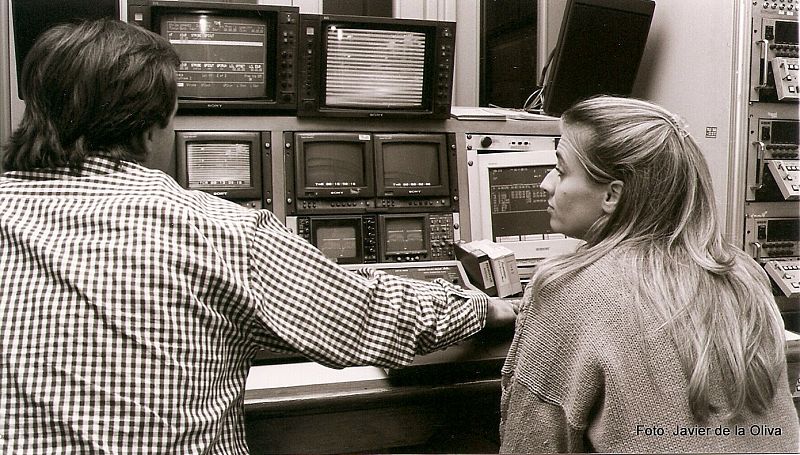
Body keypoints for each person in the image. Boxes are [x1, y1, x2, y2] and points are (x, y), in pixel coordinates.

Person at [0, 19, 517, 453]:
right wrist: (484, 308)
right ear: (155, 125)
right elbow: (368, 314)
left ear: (34, 109)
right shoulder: (221, 230)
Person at [499, 95, 799, 453]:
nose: (546, 184)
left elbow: (532, 443)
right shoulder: (744, 277)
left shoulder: (566, 291)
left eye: (561, 171)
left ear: (612, 195)